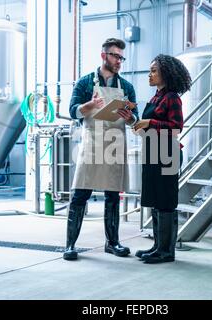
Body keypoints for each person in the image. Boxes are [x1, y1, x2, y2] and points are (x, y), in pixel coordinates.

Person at [64, 38, 138, 260]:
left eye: (121, 57)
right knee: (80, 194)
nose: (119, 61)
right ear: (103, 55)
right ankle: (70, 245)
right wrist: (90, 105)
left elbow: (136, 119)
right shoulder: (85, 83)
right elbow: (72, 110)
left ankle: (112, 243)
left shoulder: (126, 87)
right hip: (92, 142)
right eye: (116, 56)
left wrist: (130, 117)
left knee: (113, 195)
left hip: (115, 142)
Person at [133, 54, 191, 264]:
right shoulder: (156, 97)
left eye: (154, 70)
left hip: (167, 153)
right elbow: (151, 128)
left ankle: (167, 252)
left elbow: (175, 128)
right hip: (153, 152)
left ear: (165, 73)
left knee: (166, 202)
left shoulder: (172, 97)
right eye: (150, 70)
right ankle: (158, 247)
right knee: (156, 201)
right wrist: (137, 123)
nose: (149, 75)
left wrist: (149, 122)